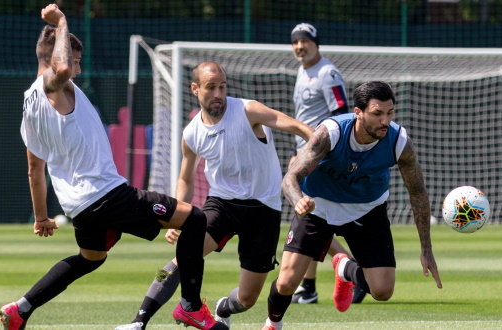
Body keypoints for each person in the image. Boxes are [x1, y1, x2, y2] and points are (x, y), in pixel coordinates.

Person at [0, 5, 219, 330]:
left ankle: (21, 309)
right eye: (76, 60)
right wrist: (61, 23)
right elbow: (58, 68)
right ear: (56, 56)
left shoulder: (28, 105)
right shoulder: (53, 85)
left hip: (79, 205)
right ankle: (190, 306)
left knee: (91, 259)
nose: (78, 66)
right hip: (106, 195)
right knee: (195, 219)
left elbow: (35, 169)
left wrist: (41, 215)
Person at [115, 61, 313, 330]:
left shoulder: (248, 110)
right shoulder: (191, 133)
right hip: (222, 204)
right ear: (195, 89)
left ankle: (222, 307)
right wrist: (179, 214)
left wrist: (317, 151)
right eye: (211, 87)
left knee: (247, 299)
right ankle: (139, 321)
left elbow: (300, 128)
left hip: (264, 209)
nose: (218, 93)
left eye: (222, 86)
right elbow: (185, 178)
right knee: (182, 257)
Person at [260, 81, 443, 330]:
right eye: (377, 113)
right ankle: (273, 324)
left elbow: (418, 193)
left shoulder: (399, 141)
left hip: (366, 209)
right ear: (358, 112)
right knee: (286, 283)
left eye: (389, 113)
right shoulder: (331, 133)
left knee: (382, 290)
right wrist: (299, 200)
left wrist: (426, 249)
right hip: (319, 206)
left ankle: (345, 268)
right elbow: (290, 178)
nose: (385, 121)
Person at [288, 22, 362, 305]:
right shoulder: (303, 70)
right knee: (308, 219)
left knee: (309, 221)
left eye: (305, 41)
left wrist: (329, 156)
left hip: (322, 158)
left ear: (316, 43)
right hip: (307, 156)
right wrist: (298, 154)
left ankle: (353, 272)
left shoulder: (327, 72)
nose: (299, 46)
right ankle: (310, 287)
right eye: (295, 42)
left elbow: (341, 115)